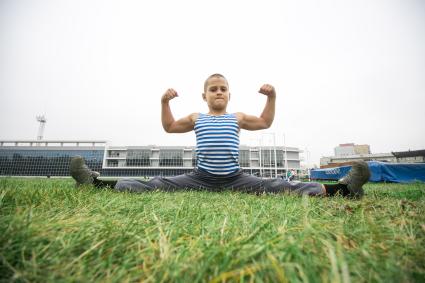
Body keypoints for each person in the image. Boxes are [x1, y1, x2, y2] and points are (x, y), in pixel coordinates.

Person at [70, 73, 370, 198]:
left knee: (280, 185)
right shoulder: (196, 117)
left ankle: (344, 190)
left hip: (235, 178)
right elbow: (169, 128)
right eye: (213, 88)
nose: (218, 91)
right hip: (200, 177)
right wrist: (164, 103)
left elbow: (265, 122)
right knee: (156, 184)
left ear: (229, 94)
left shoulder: (236, 117)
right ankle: (95, 182)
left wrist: (272, 96)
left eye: (223, 88)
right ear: (204, 95)